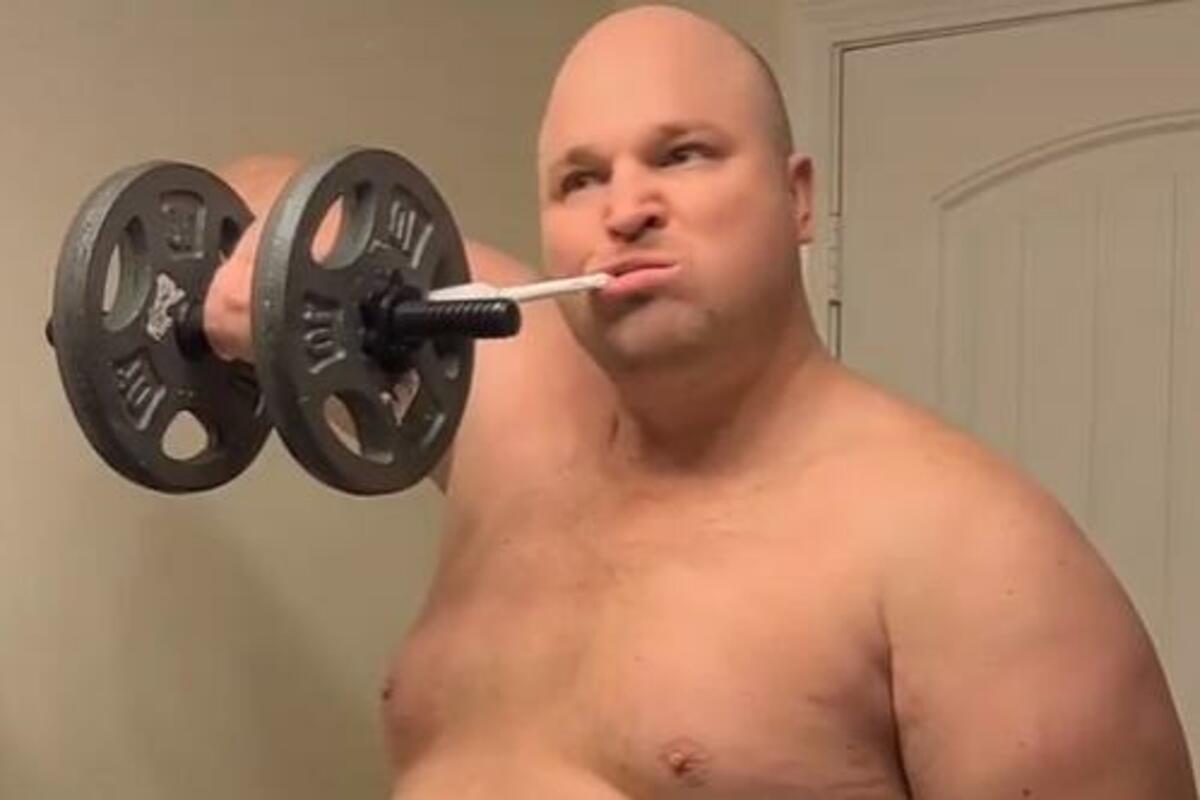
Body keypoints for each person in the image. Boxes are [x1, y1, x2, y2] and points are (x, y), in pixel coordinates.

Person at [203, 5, 1197, 798]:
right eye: (581, 178)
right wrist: (265, 277)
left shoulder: (971, 549)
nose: (626, 208)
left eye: (683, 154)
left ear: (797, 196)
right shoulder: (514, 407)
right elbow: (261, 189)